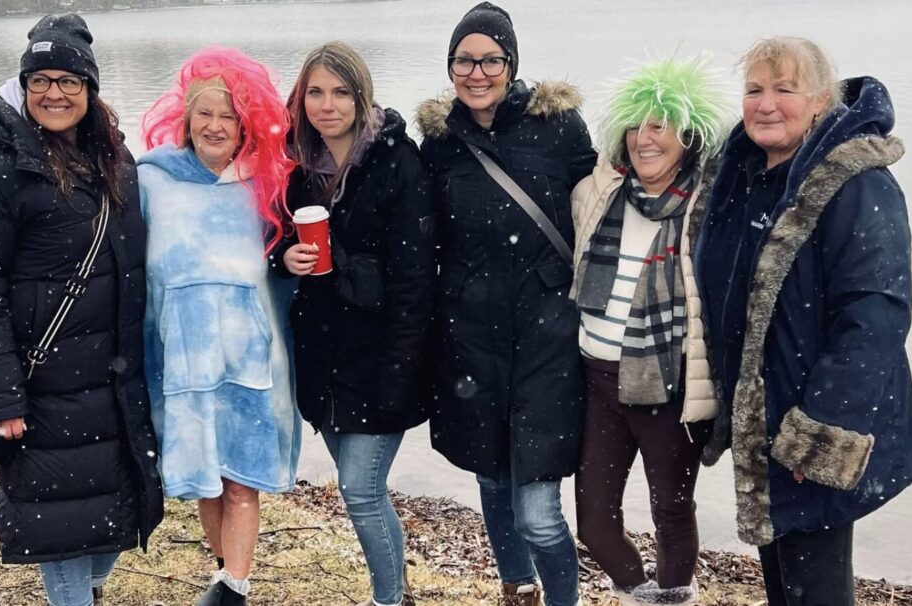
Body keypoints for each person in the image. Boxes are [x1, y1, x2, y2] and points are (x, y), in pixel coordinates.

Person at [694, 36, 912, 606]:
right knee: (783, 579)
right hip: (764, 419)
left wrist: (816, 435)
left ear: (821, 100)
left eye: (783, 89)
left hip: (814, 423)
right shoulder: (744, 175)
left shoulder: (857, 183)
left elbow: (875, 317)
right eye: (753, 90)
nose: (765, 104)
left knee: (814, 586)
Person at [0, 13, 163, 606]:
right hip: (41, 384)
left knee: (115, 513)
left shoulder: (114, 160)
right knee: (61, 530)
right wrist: (0, 397)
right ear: (22, 86)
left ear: (90, 90)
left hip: (111, 380)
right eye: (40, 79)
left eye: (69, 80)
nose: (54, 93)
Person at [415, 3, 597, 605]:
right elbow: (420, 232)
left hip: (550, 333)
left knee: (540, 505)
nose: (477, 72)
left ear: (512, 64)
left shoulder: (560, 125)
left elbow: (599, 207)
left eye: (490, 59)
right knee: (492, 476)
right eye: (464, 60)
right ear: (450, 67)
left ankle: (563, 598)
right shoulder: (439, 144)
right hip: (472, 332)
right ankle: (518, 588)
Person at [139, 47, 300, 606]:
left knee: (241, 483)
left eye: (228, 115)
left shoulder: (266, 186)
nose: (215, 126)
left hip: (249, 365)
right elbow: (129, 269)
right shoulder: (151, 182)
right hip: (181, 360)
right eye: (204, 113)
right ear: (185, 120)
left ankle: (235, 586)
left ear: (245, 124)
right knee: (207, 482)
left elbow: (280, 269)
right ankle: (223, 569)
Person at [279, 41, 436, 606]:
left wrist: (401, 369)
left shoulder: (398, 164)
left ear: (361, 95)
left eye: (340, 92)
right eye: (315, 92)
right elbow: (276, 246)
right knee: (364, 491)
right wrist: (284, 259)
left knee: (360, 488)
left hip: (381, 359)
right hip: (325, 360)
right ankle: (397, 593)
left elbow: (416, 283)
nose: (327, 105)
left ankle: (388, 599)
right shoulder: (299, 173)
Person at [570, 56, 730, 605]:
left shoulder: (706, 206)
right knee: (593, 521)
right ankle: (640, 592)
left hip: (666, 383)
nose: (645, 138)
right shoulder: (601, 192)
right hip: (595, 376)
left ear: (688, 137)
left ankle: (674, 597)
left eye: (660, 125)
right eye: (636, 125)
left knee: (671, 510)